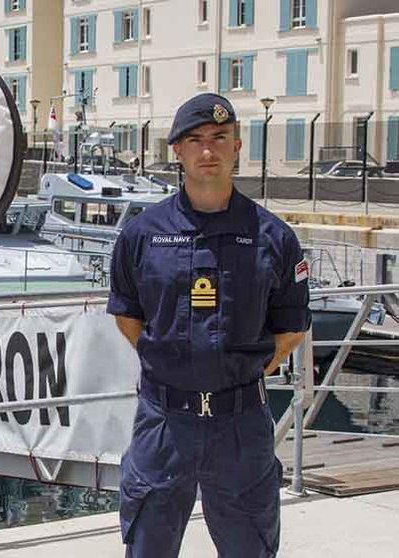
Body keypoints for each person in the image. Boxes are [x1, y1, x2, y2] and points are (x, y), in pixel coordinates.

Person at [107, 92, 311, 557]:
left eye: (219, 138)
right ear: (176, 150)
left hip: (241, 426)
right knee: (148, 548)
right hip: (163, 425)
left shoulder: (274, 238)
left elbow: (291, 328)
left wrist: (237, 377)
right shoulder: (142, 235)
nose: (207, 151)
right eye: (194, 140)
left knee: (249, 549)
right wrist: (175, 368)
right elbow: (127, 315)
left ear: (238, 146)